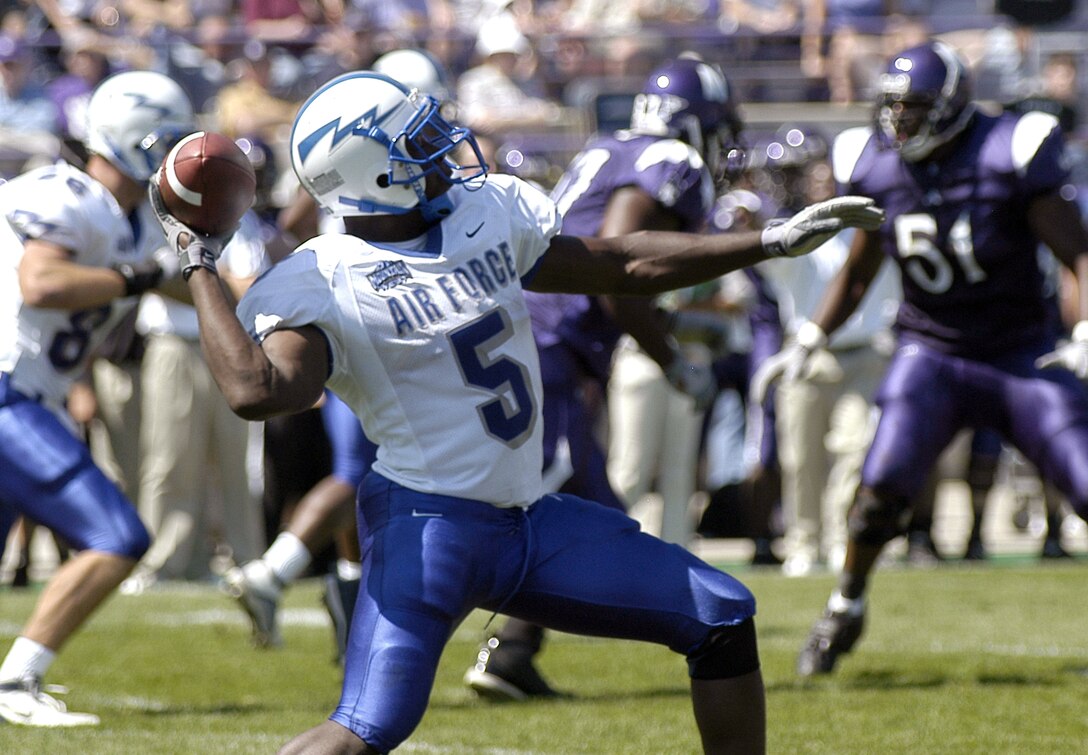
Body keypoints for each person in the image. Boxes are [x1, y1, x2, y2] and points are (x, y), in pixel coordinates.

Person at [150, 69, 882, 753]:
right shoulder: (322, 276)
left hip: (531, 519)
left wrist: (769, 241)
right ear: (373, 173)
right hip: (428, 532)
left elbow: (617, 262)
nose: (443, 150)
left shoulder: (486, 211)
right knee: (364, 730)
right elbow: (259, 392)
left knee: (721, 613)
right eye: (418, 144)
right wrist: (198, 260)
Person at [753, 40, 1088, 678]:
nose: (899, 122)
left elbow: (1078, 253)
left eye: (915, 108)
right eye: (892, 106)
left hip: (1019, 351)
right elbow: (857, 272)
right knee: (878, 492)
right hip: (930, 349)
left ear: (953, 107)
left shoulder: (1010, 149)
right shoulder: (874, 161)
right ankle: (845, 605)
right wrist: (810, 335)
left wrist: (1086, 328)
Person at [463, 54, 740, 702]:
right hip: (549, 338)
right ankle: (409, 608)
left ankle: (511, 652)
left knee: (586, 509)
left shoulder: (611, 146)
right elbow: (619, 264)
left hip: (530, 329)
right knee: (550, 507)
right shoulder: (670, 161)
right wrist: (670, 358)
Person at [0, 69, 194, 726]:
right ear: (130, 134)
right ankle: (17, 681)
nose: (174, 154)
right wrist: (142, 276)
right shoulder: (68, 192)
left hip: (32, 396)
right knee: (115, 535)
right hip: (7, 394)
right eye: (166, 138)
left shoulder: (133, 220)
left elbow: (180, 282)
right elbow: (41, 282)